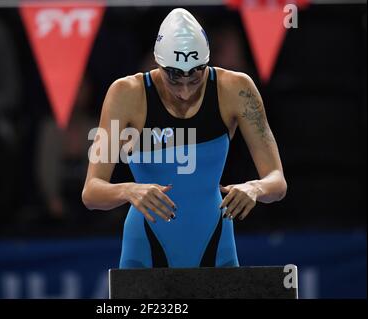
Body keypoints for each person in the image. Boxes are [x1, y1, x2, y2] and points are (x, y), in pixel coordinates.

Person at [82, 8, 287, 268]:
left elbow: (277, 182)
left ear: (206, 63)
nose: (185, 91)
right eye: (175, 79)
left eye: (195, 78)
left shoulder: (236, 89)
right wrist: (128, 190)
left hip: (215, 240)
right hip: (146, 244)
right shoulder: (125, 95)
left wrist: (255, 188)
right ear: (158, 63)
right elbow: (91, 192)